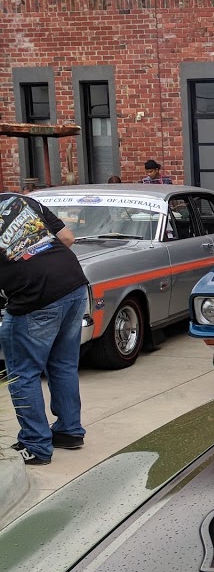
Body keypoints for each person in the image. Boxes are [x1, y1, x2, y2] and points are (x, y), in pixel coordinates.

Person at [0, 192, 89, 466]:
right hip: (73, 285)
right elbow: (67, 239)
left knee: (23, 374)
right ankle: (68, 431)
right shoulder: (20, 200)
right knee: (62, 365)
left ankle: (36, 446)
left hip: (34, 297)